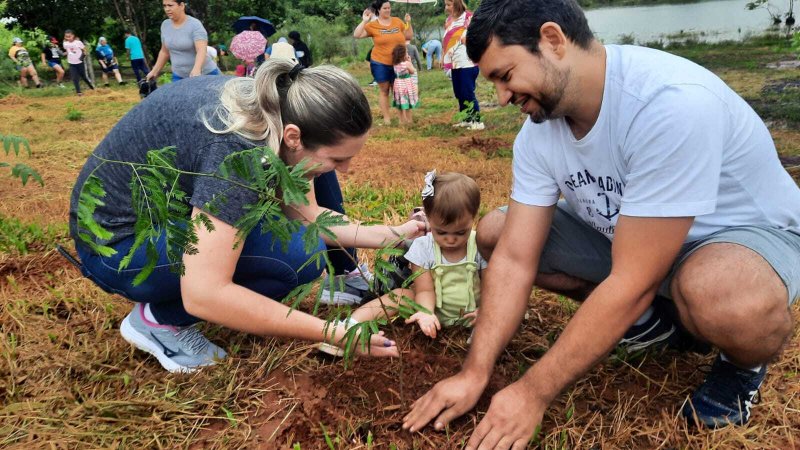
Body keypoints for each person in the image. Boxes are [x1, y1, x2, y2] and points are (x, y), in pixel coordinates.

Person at [402, 0, 800, 444]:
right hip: (634, 242)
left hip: (738, 240)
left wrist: (533, 393)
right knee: (497, 232)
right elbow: (514, 258)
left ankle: (742, 365)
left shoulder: (669, 103)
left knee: (716, 293)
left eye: (505, 76)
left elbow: (632, 278)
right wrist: (474, 372)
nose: (501, 97)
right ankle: (657, 323)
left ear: (552, 41)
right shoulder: (540, 132)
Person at [68, 60, 427, 373]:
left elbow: (306, 215)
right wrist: (331, 332)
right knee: (297, 259)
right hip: (116, 249)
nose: (348, 170)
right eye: (340, 158)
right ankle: (157, 321)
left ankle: (346, 273)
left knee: (315, 178)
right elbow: (205, 293)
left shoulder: (281, 107)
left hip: (162, 220)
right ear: (293, 137)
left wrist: (396, 234)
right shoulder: (239, 152)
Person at [319, 171, 485, 357]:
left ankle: (482, 338)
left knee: (497, 320)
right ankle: (348, 327)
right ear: (429, 219)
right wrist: (426, 313)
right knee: (399, 296)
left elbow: (492, 284)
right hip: (432, 306)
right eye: (442, 232)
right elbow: (424, 290)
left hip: (473, 313)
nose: (451, 240)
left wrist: (486, 310)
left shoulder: (479, 244)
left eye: (461, 233)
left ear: (474, 218)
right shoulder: (424, 247)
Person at [353, 1, 413, 125]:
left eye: (389, 8)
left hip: (398, 62)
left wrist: (408, 22)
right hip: (380, 62)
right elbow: (357, 35)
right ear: (378, 10)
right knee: (384, 90)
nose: (388, 10)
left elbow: (408, 36)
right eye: (385, 8)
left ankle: (402, 118)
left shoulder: (397, 21)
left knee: (398, 90)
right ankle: (387, 119)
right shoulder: (372, 25)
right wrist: (365, 20)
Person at [147, 0, 219, 82]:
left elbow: (201, 50)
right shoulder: (165, 25)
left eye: (170, 5)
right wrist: (154, 71)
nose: (167, 9)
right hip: (179, 76)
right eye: (164, 6)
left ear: (181, 5)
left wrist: (197, 69)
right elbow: (165, 52)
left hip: (204, 74)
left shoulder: (195, 25)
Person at [443, 0, 483, 130]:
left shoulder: (468, 17)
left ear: (457, 4)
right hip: (455, 63)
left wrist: (469, 41)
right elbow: (448, 40)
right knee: (459, 93)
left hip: (467, 62)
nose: (446, 7)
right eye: (446, 5)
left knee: (467, 92)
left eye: (449, 4)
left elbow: (478, 35)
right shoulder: (449, 20)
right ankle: (466, 118)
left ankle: (477, 121)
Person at [391, 44, 419, 125]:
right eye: (406, 53)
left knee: (400, 103)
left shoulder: (394, 64)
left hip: (398, 84)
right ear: (402, 55)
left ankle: (401, 121)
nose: (408, 54)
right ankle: (409, 121)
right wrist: (410, 62)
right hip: (406, 84)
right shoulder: (407, 63)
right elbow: (412, 71)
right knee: (408, 105)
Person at [63, 30, 96, 95]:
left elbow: (85, 51)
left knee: (84, 77)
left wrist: (82, 58)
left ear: (73, 35)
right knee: (74, 78)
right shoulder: (65, 43)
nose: (68, 38)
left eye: (69, 36)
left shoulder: (78, 42)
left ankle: (91, 87)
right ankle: (79, 92)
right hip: (72, 63)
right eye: (66, 37)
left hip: (79, 63)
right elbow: (67, 50)